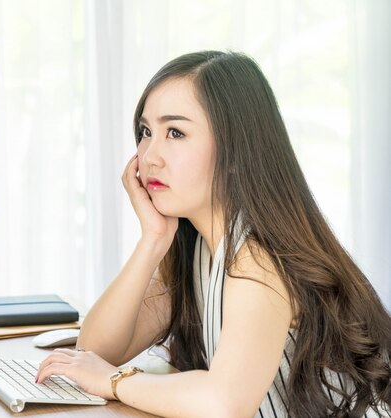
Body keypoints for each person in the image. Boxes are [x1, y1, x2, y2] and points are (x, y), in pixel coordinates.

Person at [35, 51, 391, 417]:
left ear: (236, 151)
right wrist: (153, 240)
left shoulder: (257, 258)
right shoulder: (198, 246)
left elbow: (223, 404)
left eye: (175, 133)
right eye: (145, 132)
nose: (149, 156)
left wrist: (113, 381)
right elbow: (94, 352)